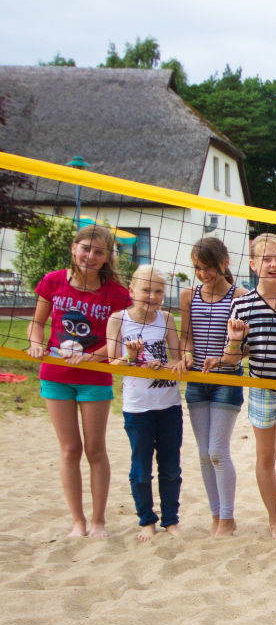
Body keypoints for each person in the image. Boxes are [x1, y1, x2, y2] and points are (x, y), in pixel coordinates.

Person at [206, 232, 276, 540]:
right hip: (262, 391)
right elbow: (232, 358)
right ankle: (275, 519)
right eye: (266, 259)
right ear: (253, 264)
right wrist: (236, 340)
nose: (272, 264)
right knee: (265, 458)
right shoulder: (242, 305)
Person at [27, 223, 131, 538]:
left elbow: (120, 340)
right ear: (74, 249)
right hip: (56, 376)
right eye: (85, 248)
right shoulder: (53, 281)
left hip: (94, 377)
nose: (90, 255)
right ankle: (78, 522)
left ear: (106, 258)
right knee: (69, 449)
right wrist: (35, 341)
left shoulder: (116, 293)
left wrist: (94, 357)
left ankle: (98, 521)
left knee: (95, 449)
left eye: (98, 251)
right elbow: (37, 322)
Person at [106, 266, 187, 542]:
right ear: (132, 290)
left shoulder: (165, 318)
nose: (151, 296)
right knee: (141, 469)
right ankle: (146, 520)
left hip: (169, 405)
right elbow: (113, 365)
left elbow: (177, 360)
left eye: (157, 291)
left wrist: (165, 365)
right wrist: (132, 358)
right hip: (138, 407)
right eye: (145, 290)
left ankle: (171, 520)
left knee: (171, 467)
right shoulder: (119, 319)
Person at [178, 236, 247, 536]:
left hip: (226, 378)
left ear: (224, 264)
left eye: (208, 268)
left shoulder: (240, 295)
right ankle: (216, 515)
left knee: (218, 450)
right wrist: (186, 355)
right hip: (196, 379)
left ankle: (228, 519)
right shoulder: (188, 295)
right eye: (197, 268)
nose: (203, 274)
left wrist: (221, 359)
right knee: (204, 453)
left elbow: (246, 347)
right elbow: (186, 338)